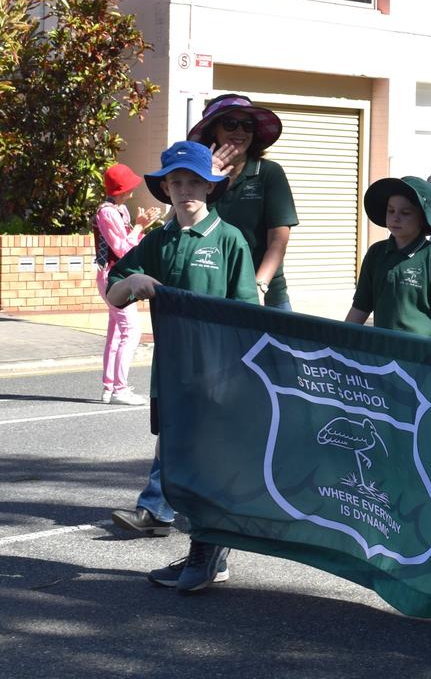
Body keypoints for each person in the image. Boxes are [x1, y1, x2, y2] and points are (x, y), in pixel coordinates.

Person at [106, 141, 257, 592]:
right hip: (171, 376)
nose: (185, 189)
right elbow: (115, 291)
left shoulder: (229, 240)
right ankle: (212, 552)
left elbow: (248, 313)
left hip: (218, 375)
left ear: (210, 187)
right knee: (179, 466)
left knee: (207, 466)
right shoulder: (159, 240)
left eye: (194, 181)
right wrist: (130, 281)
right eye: (176, 181)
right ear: (165, 188)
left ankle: (206, 552)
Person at [188, 94, 298, 310]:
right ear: (213, 131)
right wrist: (206, 179)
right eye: (230, 124)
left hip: (265, 294)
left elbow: (278, 240)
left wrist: (258, 286)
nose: (240, 132)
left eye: (247, 125)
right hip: (210, 292)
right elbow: (177, 224)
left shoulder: (269, 173)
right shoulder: (196, 177)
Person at [344, 177, 431, 340]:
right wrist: (340, 341)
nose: (395, 218)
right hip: (383, 354)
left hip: (422, 357)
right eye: (391, 211)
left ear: (422, 218)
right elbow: (360, 307)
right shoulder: (375, 253)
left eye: (405, 213)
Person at [93, 163, 162, 405]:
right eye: (130, 186)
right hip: (113, 277)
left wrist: (141, 226)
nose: (133, 190)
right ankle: (119, 389)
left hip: (117, 276)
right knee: (131, 332)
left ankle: (109, 387)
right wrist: (141, 226)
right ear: (122, 189)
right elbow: (122, 249)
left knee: (116, 333)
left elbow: (130, 244)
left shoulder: (119, 210)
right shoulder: (108, 212)